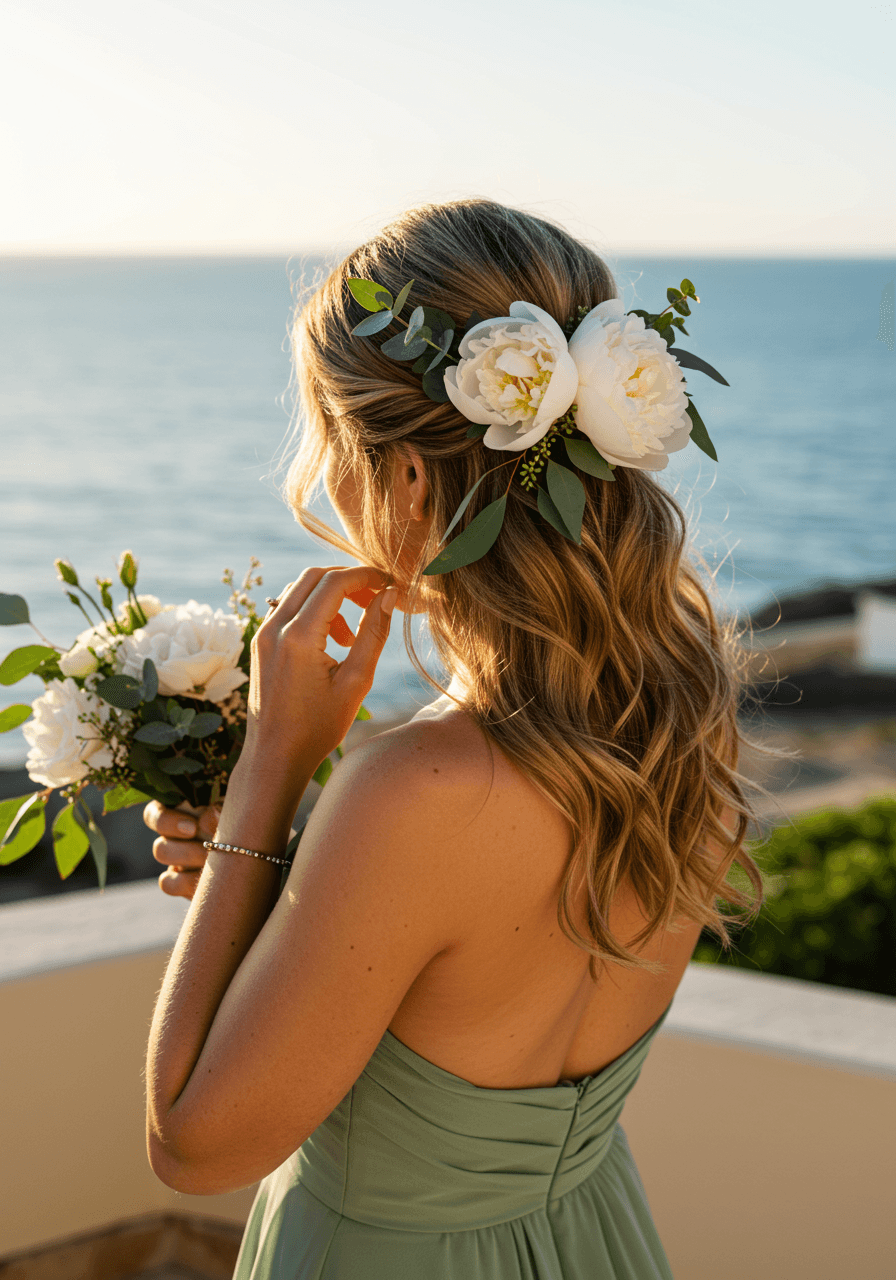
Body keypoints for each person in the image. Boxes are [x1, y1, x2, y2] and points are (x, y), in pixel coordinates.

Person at [143, 198, 764, 1279]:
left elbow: (193, 1146)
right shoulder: (677, 728)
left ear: (412, 477)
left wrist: (272, 766)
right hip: (589, 1237)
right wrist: (283, 877)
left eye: (333, 443)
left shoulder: (411, 789)